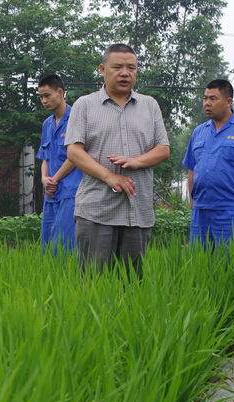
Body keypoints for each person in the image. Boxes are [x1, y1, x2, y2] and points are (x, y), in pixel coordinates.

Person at [65, 44, 170, 278]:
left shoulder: (149, 105)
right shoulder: (84, 105)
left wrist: (136, 161)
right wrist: (109, 176)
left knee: (132, 285)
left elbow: (163, 149)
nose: (125, 73)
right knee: (94, 284)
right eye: (117, 67)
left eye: (131, 68)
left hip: (137, 210)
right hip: (96, 209)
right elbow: (74, 151)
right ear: (102, 69)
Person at [182, 79, 234, 249]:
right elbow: (192, 169)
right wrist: (192, 202)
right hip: (201, 210)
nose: (207, 103)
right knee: (200, 265)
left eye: (213, 98)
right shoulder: (199, 132)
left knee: (232, 265)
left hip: (232, 210)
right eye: (205, 98)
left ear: (228, 102)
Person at [36, 74, 83, 255]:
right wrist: (44, 180)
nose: (44, 100)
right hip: (51, 195)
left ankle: (68, 282)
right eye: (41, 97)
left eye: (47, 95)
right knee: (47, 248)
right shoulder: (46, 124)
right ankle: (50, 283)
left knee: (64, 247)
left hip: (70, 193)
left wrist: (53, 180)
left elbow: (75, 157)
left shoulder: (76, 119)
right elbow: (45, 158)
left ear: (60, 92)